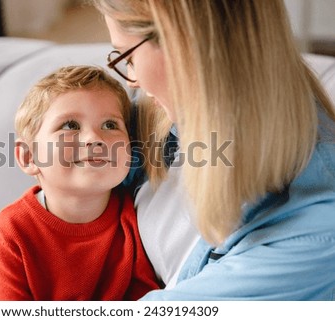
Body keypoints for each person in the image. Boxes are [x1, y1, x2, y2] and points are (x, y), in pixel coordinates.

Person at [90, 0, 335, 300]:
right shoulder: (168, 116)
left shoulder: (315, 239)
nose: (134, 80)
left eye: (128, 57)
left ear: (182, 43)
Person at [0, 65, 159, 300]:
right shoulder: (11, 233)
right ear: (29, 157)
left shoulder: (136, 219)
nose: (95, 138)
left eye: (110, 125)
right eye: (70, 126)